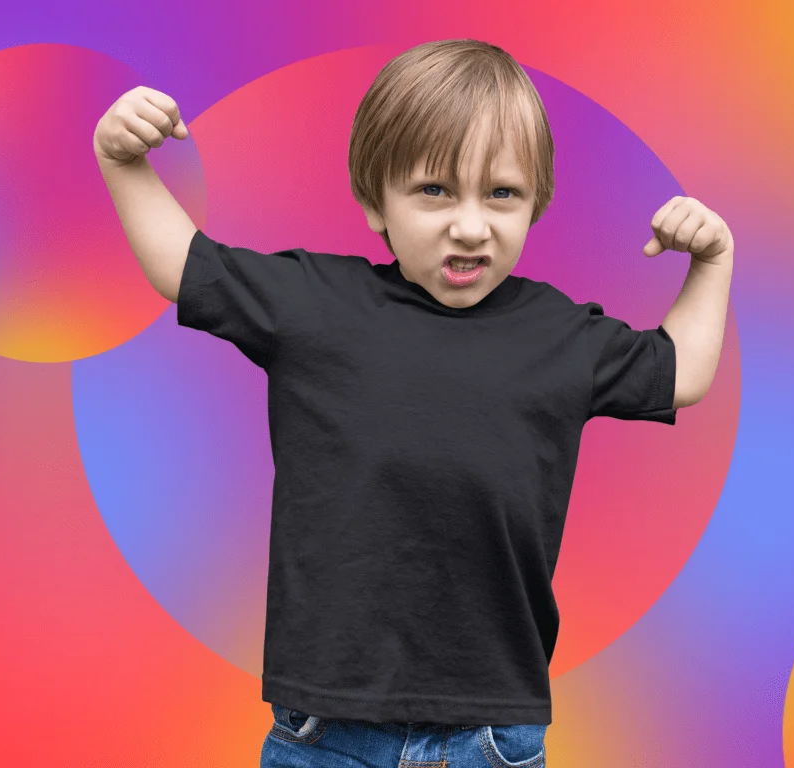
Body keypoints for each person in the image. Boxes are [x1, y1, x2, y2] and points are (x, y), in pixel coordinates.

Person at [93, 38, 733, 768]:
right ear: (376, 203)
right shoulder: (315, 303)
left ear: (536, 204)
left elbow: (680, 372)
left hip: (492, 739)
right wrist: (123, 162)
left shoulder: (563, 334)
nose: (470, 224)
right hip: (328, 730)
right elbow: (184, 267)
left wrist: (713, 263)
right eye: (434, 191)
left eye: (502, 194)